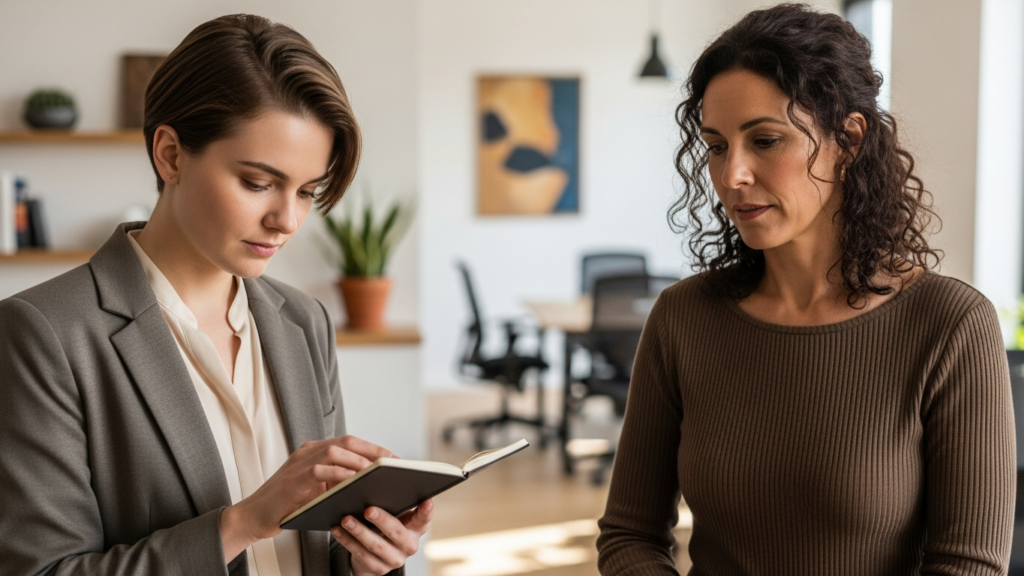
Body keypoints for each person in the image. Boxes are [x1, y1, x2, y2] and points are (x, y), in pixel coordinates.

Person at [0, 14, 430, 576]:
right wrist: (244, 521)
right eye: (258, 183)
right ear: (171, 154)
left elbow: (313, 551)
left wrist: (365, 558)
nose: (287, 219)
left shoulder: (304, 321)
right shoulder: (44, 334)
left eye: (306, 191)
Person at [597, 4, 1014, 575]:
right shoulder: (683, 317)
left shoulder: (951, 324)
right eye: (717, 146)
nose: (731, 175)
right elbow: (629, 535)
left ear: (848, 140)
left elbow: (968, 565)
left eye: (764, 140)